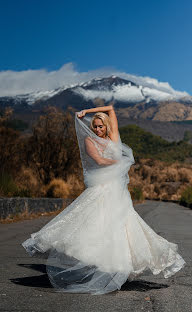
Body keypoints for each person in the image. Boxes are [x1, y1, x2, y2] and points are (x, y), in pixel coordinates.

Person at [22, 104, 186, 295]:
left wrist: (87, 112)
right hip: (102, 189)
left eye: (101, 126)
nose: (98, 129)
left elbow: (110, 109)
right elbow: (99, 161)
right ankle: (105, 266)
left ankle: (119, 266)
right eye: (95, 127)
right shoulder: (90, 141)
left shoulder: (114, 137)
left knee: (125, 226)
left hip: (119, 191)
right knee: (99, 225)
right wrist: (119, 161)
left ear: (107, 126)